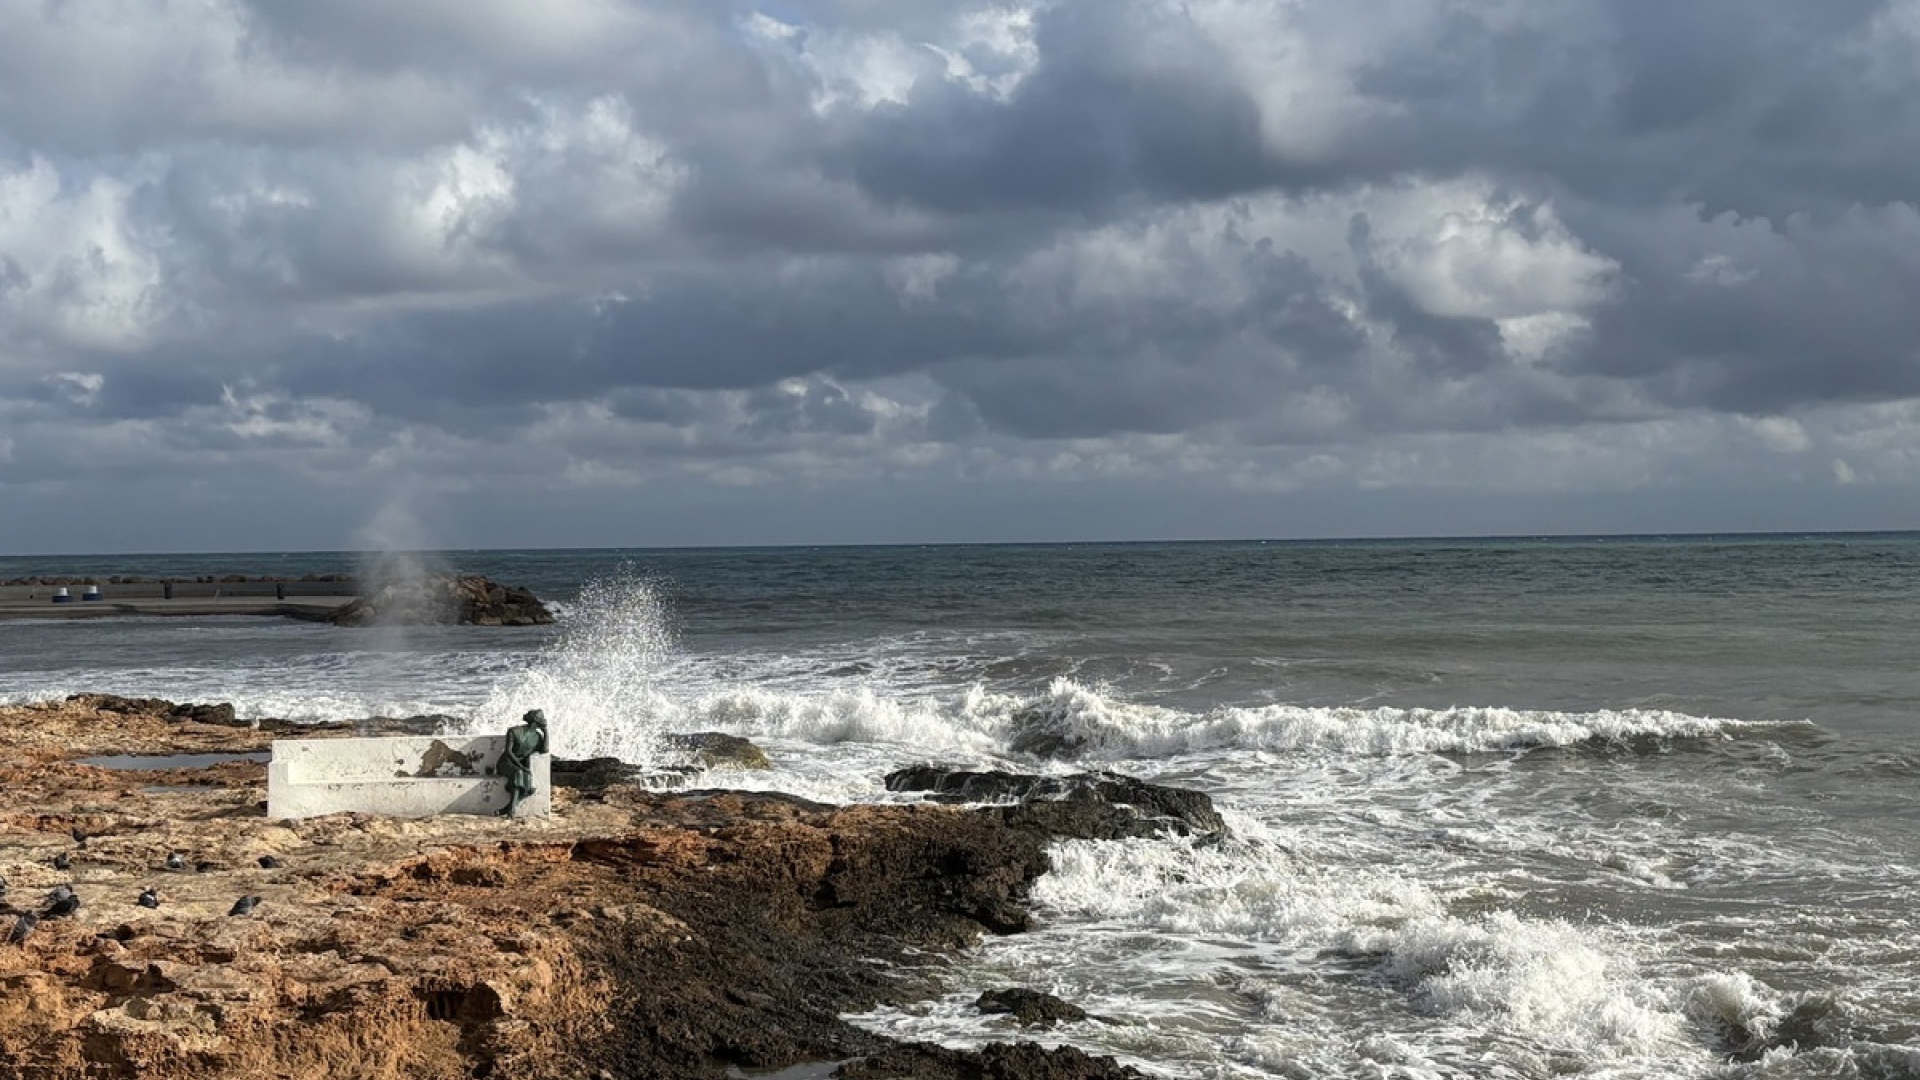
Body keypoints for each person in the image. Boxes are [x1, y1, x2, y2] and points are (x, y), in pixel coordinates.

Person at [499, 708, 550, 817]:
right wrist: (521, 766)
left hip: (520, 767)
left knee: (524, 778)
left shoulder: (537, 737)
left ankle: (508, 809)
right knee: (519, 773)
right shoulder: (513, 731)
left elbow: (545, 750)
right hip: (506, 763)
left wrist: (546, 732)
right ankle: (510, 810)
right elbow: (508, 752)